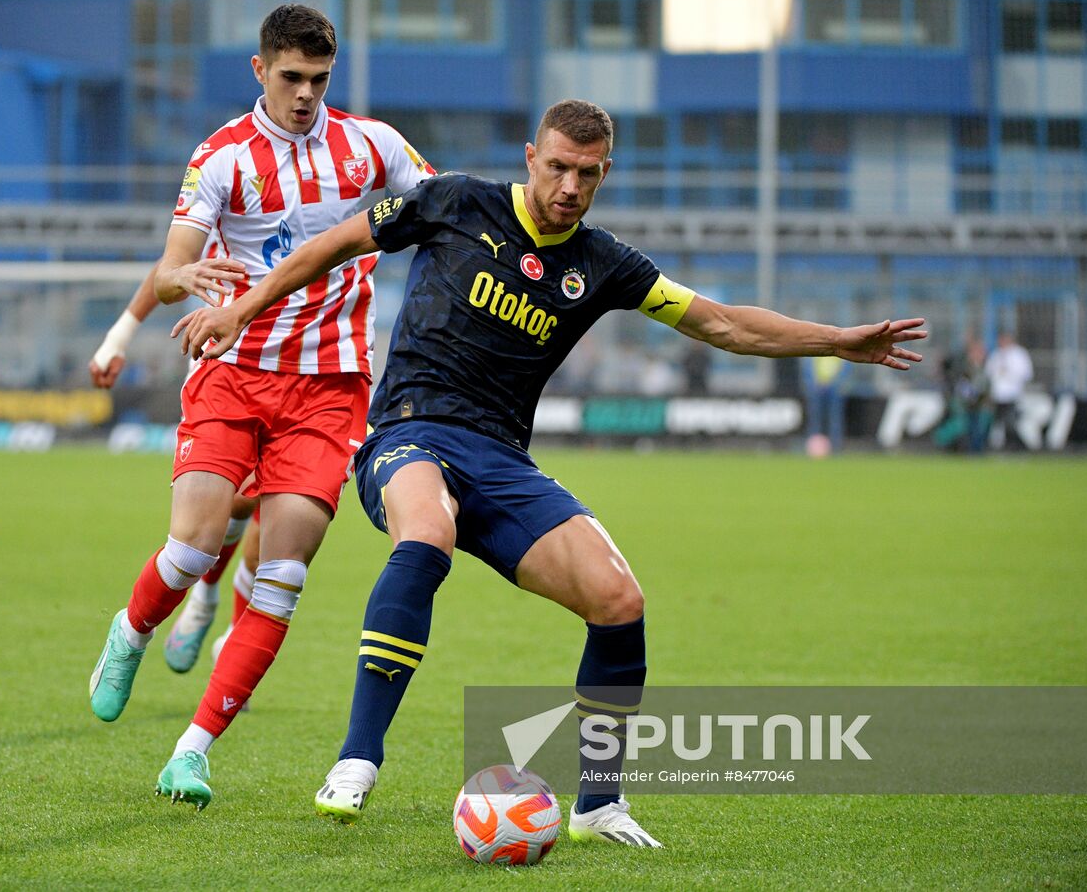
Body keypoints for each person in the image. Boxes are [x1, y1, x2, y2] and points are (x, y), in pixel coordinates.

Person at [177, 99, 927, 846]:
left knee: (619, 598)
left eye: (588, 173)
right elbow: (331, 246)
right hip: (408, 433)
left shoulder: (602, 263)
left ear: (605, 174)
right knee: (428, 533)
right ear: (532, 156)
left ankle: (599, 802)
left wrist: (837, 340)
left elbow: (722, 323)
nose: (570, 185)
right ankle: (357, 758)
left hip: (501, 459)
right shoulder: (453, 200)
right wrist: (243, 309)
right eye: (559, 166)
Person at [86, 4, 436, 811]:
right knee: (192, 546)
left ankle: (191, 751)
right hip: (233, 369)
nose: (306, 94)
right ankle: (131, 632)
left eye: (319, 79)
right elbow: (172, 266)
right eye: (291, 78)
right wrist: (189, 281)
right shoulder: (220, 158)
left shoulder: (373, 146)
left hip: (331, 386)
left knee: (280, 576)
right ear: (259, 70)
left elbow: (442, 201)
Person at [87, 259, 260, 675]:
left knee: (280, 509)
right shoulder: (219, 194)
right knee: (235, 503)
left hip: (309, 370)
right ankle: (204, 598)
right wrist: (119, 336)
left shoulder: (338, 198)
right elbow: (171, 263)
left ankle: (236, 639)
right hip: (226, 361)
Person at [984, 330, 1032, 450]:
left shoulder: (1019, 354)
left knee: (1011, 424)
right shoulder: (997, 354)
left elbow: (1027, 374)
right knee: (998, 425)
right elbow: (989, 373)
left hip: (1013, 396)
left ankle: (1018, 447)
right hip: (998, 397)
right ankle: (1000, 447)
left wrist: (1009, 372)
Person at [802, 354, 848, 456]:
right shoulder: (816, 354)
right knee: (815, 418)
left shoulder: (840, 354)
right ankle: (813, 446)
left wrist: (836, 384)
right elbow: (808, 369)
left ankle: (835, 446)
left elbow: (845, 370)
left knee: (834, 418)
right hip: (817, 388)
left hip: (834, 389)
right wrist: (813, 384)